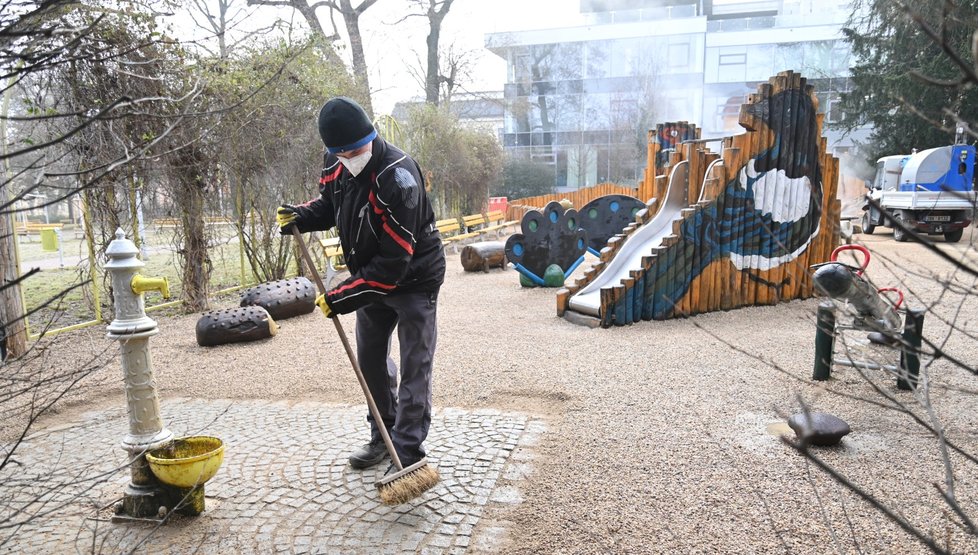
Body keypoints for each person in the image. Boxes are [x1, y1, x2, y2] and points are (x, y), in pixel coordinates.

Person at [277, 97, 445, 472]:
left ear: (371, 135)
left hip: (414, 276)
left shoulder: (398, 178)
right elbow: (330, 205)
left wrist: (340, 297)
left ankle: (407, 450)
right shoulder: (336, 163)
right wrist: (299, 217)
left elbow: (391, 268)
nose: (350, 157)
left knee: (415, 363)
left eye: (356, 149)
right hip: (370, 272)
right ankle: (382, 434)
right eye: (341, 153)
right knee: (370, 358)